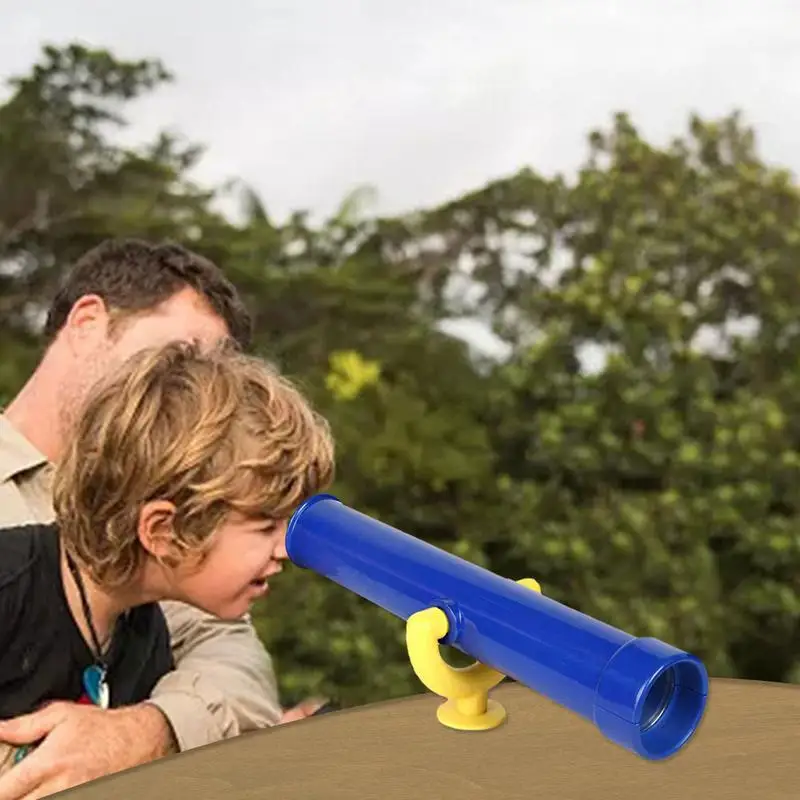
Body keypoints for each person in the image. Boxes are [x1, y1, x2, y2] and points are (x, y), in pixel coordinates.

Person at [0, 239, 326, 800]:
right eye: (184, 355)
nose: (196, 388)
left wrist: (147, 732)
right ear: (87, 323)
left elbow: (232, 661)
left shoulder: (146, 602)